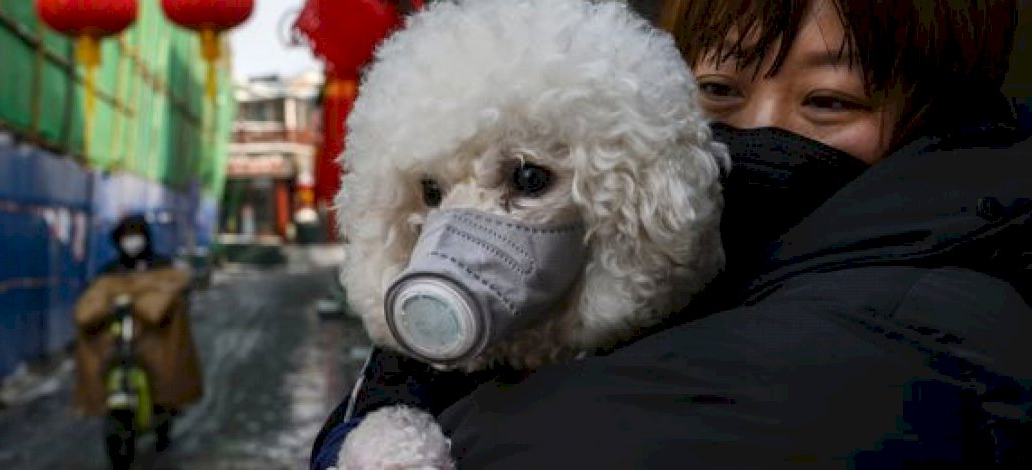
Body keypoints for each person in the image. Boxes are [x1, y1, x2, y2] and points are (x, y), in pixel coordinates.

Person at [312, 0, 1030, 467]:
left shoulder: (909, 321)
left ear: (938, 116)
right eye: (719, 90)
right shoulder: (722, 269)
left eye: (829, 101)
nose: (762, 128)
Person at [74, 214, 203, 454]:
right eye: (126, 237)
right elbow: (92, 302)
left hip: (153, 335)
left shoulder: (160, 265)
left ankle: (166, 407)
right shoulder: (111, 271)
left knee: (164, 364)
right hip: (120, 334)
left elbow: (173, 290)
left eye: (136, 236)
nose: (132, 242)